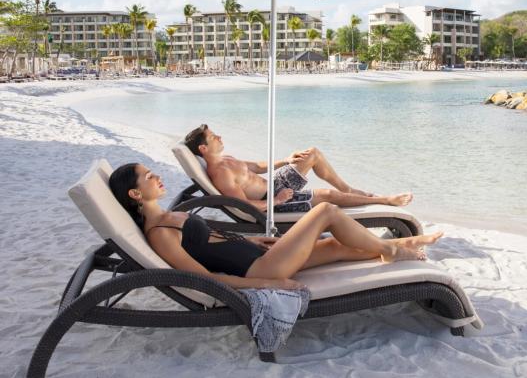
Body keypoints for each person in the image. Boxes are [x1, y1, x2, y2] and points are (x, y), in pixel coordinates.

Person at [109, 163, 442, 290]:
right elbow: (204, 278)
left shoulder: (169, 216)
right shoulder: (161, 234)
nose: (157, 176)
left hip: (259, 254)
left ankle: (403, 245)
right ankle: (390, 250)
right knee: (325, 210)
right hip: (262, 269)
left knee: (335, 246)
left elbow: (213, 241)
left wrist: (255, 241)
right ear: (136, 194)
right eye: (148, 176)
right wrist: (268, 284)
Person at [183, 124, 413, 213]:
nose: (219, 137)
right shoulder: (220, 173)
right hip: (273, 200)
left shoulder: (226, 159)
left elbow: (256, 167)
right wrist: (278, 200)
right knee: (327, 195)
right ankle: (385, 200)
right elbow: (243, 206)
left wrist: (286, 160)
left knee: (312, 153)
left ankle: (349, 189)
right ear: (203, 148)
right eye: (213, 137)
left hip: (274, 185)